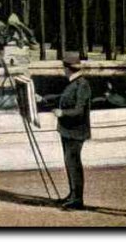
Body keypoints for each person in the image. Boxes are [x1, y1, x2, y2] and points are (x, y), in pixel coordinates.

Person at [53, 54, 92, 210]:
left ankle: (77, 199)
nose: (63, 70)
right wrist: (43, 99)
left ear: (68, 68)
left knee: (74, 163)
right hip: (68, 130)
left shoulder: (82, 84)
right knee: (70, 163)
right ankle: (72, 194)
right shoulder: (74, 83)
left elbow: (79, 110)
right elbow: (63, 98)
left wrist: (62, 113)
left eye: (64, 67)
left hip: (76, 131)